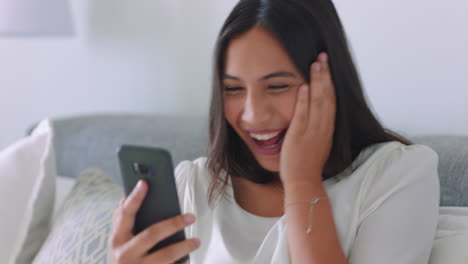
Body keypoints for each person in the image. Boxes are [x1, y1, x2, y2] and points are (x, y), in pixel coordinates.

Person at [109, 0, 440, 263]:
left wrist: (302, 180)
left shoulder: (397, 176)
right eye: (234, 89)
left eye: (278, 85)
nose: (253, 115)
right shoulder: (194, 186)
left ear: (331, 84)